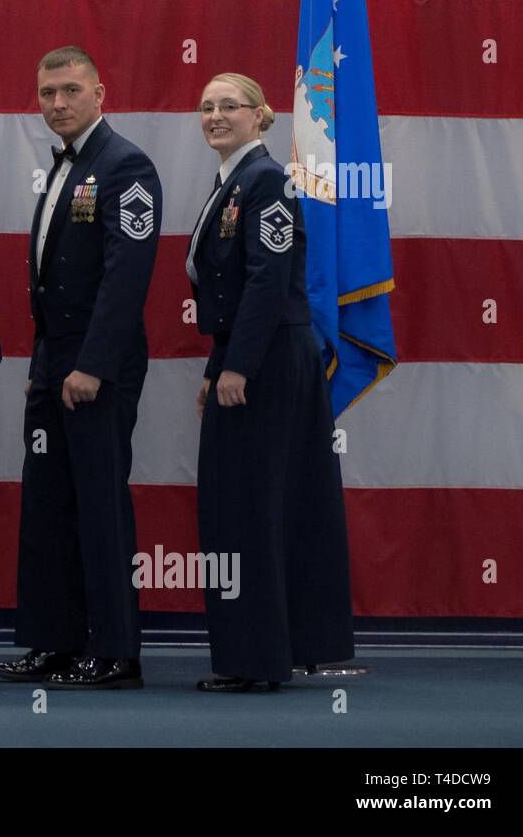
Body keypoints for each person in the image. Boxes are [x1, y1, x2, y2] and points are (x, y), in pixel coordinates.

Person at [0, 47, 162, 689]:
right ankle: (53, 642)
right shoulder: (65, 164)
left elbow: (126, 275)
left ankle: (115, 651)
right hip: (53, 364)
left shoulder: (126, 165)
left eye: (69, 90)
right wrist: (44, 365)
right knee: (47, 506)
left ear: (100, 93)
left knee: (97, 506)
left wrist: (90, 365)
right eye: (46, 93)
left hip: (98, 366)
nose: (56, 103)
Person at [187, 72, 354, 692]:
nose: (215, 115)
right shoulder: (231, 181)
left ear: (263, 116)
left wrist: (238, 366)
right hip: (247, 355)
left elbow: (265, 279)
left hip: (271, 361)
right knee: (237, 506)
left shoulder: (268, 181)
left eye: (230, 105)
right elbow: (230, 293)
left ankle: (258, 661)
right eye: (206, 107)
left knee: (252, 508)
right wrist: (216, 367)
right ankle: (259, 651)